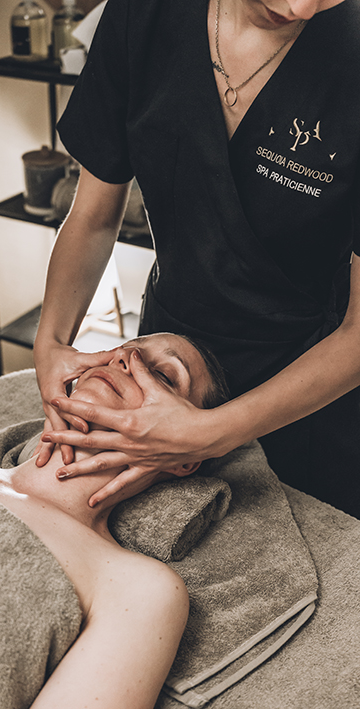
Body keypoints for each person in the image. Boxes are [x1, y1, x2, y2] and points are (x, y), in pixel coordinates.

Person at [32, 0, 360, 517]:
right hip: (165, 358)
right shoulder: (145, 14)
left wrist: (209, 433)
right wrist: (51, 341)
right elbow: (93, 216)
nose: (302, 8)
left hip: (308, 390)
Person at [0, 333, 227, 709]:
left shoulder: (134, 588)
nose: (123, 359)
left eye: (162, 375)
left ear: (186, 456)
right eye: (125, 350)